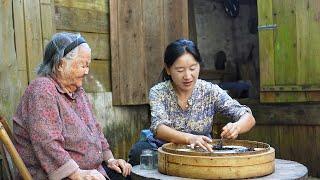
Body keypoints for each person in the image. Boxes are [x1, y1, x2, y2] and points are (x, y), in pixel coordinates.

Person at [13, 32, 132, 180]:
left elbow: (94, 128)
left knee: (126, 174)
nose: (87, 71)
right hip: (60, 176)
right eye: (83, 65)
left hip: (92, 170)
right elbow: (48, 143)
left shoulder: (77, 91)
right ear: (61, 64)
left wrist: (109, 159)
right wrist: (77, 174)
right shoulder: (42, 90)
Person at [128, 39, 255, 166]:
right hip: (163, 148)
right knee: (139, 153)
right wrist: (190, 138)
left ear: (199, 66)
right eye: (180, 70)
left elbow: (247, 116)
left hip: (200, 151)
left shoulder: (209, 91)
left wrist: (236, 127)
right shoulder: (158, 92)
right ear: (168, 69)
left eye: (193, 68)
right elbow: (159, 128)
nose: (188, 76)